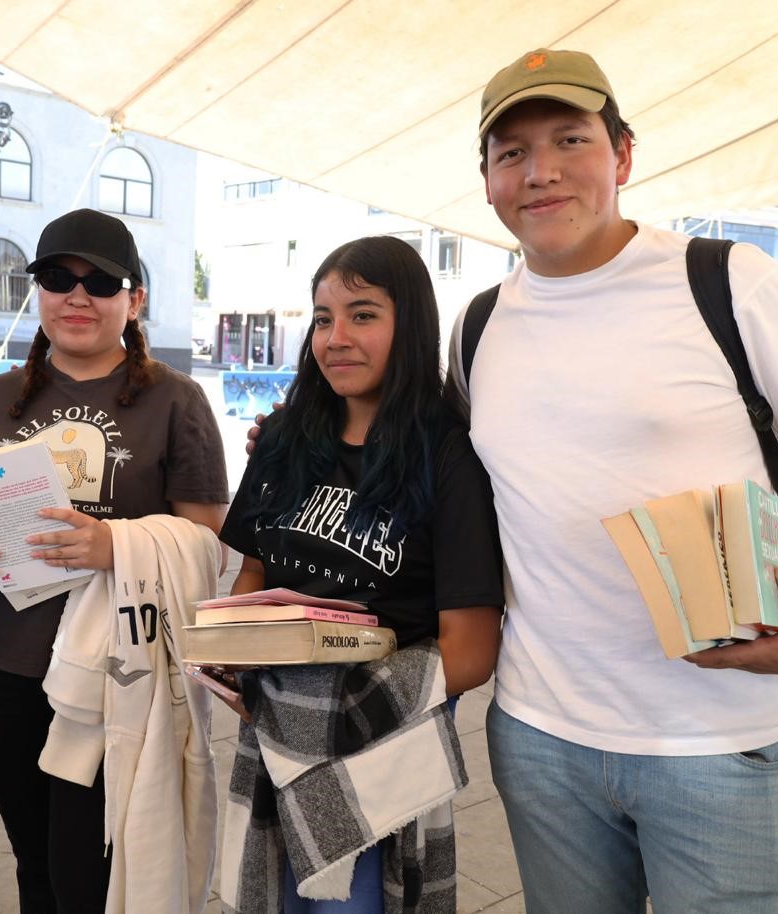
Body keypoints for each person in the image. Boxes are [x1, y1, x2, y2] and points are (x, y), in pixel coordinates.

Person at [444, 48, 778, 913]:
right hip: (542, 737)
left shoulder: (727, 282)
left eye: (570, 139)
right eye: (512, 152)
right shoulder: (477, 327)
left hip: (724, 739)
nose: (540, 171)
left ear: (622, 155)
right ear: (489, 181)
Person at [0, 207, 229, 914]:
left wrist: (114, 545)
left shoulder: (175, 401)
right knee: (32, 859)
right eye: (57, 279)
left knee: (88, 870)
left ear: (135, 300)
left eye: (101, 282)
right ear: (36, 292)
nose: (77, 296)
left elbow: (206, 542)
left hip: (114, 672)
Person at [222, 235, 504, 912]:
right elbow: (252, 573)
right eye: (323, 319)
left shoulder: (449, 456)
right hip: (272, 737)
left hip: (383, 751)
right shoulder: (283, 440)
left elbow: (472, 650)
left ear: (411, 324)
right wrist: (231, 655)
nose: (336, 338)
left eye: (363, 315)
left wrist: (331, 708)